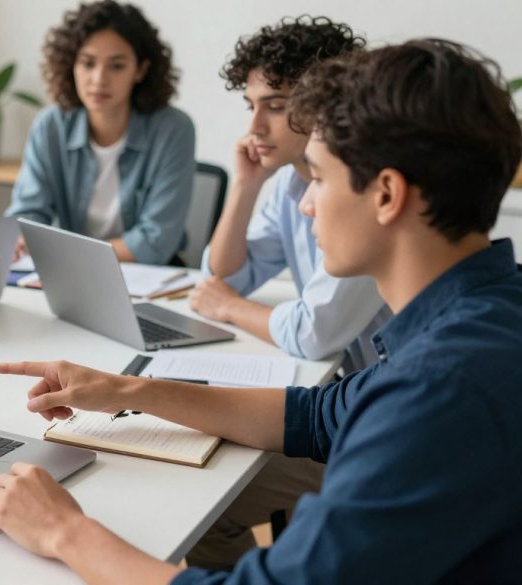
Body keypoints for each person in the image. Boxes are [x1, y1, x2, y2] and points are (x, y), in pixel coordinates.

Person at [0, 39, 522, 583]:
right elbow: (317, 416)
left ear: (386, 195)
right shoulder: (482, 313)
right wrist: (122, 390)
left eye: (317, 178)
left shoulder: (440, 388)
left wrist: (64, 532)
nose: (306, 202)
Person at [185, 17, 389, 569]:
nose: (255, 123)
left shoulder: (360, 192)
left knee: (203, 490)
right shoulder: (291, 186)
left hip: (366, 423)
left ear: (326, 100)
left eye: (275, 104)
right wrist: (245, 187)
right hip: (344, 401)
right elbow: (224, 273)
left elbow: (310, 331)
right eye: (251, 104)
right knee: (201, 484)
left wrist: (228, 309)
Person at [4, 0, 196, 265]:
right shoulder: (50, 125)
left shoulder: (173, 130)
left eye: (116, 66)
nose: (98, 79)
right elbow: (26, 215)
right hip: (72, 273)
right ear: (71, 65)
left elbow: (155, 241)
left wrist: (64, 254)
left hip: (149, 276)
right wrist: (23, 238)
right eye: (87, 63)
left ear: (140, 70)